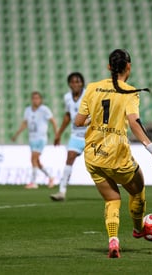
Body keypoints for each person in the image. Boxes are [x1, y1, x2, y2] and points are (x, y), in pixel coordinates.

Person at [74, 49, 152, 258]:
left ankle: (113, 241)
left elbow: (78, 122)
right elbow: (134, 123)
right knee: (138, 190)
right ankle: (138, 230)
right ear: (128, 67)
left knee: (112, 199)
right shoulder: (129, 91)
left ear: (109, 67)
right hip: (117, 155)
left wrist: (95, 119)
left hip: (93, 155)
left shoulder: (92, 88)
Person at [50, 72, 87, 201]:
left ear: (82, 83)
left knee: (101, 165)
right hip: (76, 135)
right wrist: (58, 133)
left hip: (91, 136)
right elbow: (67, 116)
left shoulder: (88, 95)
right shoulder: (67, 97)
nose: (75, 84)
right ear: (69, 84)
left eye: (78, 81)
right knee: (69, 158)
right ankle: (61, 191)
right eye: (72, 82)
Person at [11, 91, 58, 189]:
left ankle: (34, 182)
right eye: (34, 98)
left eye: (37, 98)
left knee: (33, 158)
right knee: (37, 161)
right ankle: (51, 177)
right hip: (32, 138)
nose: (35, 100)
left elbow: (53, 121)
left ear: (40, 100)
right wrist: (16, 134)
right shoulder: (28, 110)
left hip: (41, 138)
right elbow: (25, 123)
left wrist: (56, 134)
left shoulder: (44, 109)